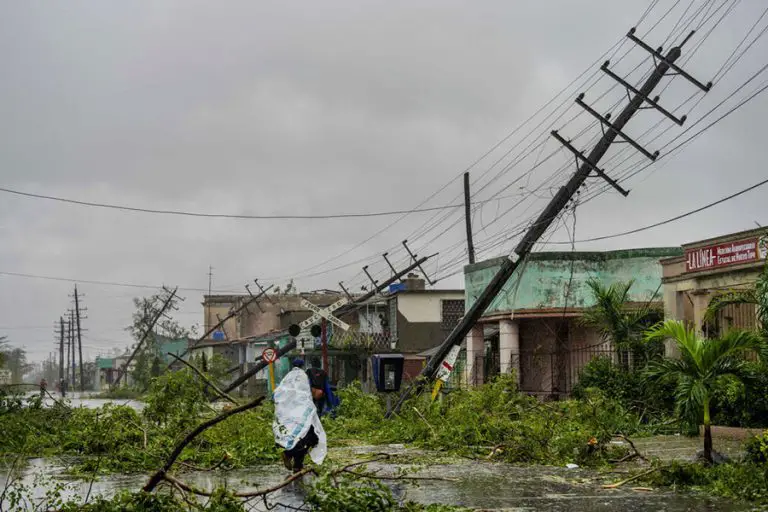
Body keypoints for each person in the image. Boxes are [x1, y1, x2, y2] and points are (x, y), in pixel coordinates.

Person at [272, 358, 327, 473]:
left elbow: (277, 395)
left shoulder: (287, 378)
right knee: (308, 437)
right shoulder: (304, 377)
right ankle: (295, 462)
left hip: (289, 414)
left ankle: (291, 458)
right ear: (303, 366)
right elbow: (313, 394)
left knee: (295, 436)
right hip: (302, 414)